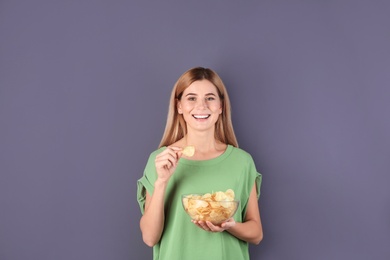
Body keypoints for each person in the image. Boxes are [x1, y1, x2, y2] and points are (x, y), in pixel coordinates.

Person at [137, 67, 263, 260]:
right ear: (179, 106)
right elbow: (149, 237)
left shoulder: (242, 162)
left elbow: (256, 233)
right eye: (192, 98)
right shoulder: (161, 160)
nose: (201, 106)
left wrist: (230, 225)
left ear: (221, 106)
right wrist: (162, 181)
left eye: (210, 98)